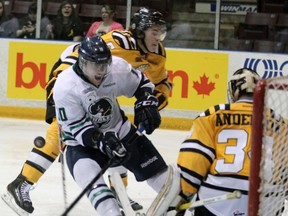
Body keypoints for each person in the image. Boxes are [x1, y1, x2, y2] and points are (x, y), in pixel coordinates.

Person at [1, 7, 171, 214]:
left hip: (106, 88)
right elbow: (78, 61)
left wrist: (150, 103)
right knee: (60, 133)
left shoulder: (157, 52)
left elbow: (162, 83)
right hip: (69, 78)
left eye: (160, 32)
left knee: (116, 132)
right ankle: (22, 183)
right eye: (154, 32)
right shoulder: (119, 42)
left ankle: (118, 191)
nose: (158, 37)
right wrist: (55, 96)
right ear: (140, 31)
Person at [53, 35, 178, 216]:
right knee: (108, 208)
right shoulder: (66, 85)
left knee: (170, 189)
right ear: (81, 62)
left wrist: (146, 102)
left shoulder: (117, 67)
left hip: (121, 132)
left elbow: (142, 84)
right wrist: (103, 142)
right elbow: (80, 129)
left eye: (104, 64)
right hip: (82, 149)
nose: (100, 71)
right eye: (94, 65)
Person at [148, 68, 261, 216]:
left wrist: (183, 196)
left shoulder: (212, 114)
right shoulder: (279, 122)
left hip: (216, 201)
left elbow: (194, 157)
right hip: (261, 203)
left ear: (233, 90)